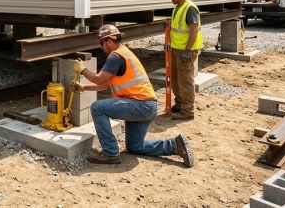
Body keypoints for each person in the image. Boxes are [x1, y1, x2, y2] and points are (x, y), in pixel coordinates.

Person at [73, 24, 195, 167]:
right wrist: (84, 87)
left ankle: (110, 153)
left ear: (110, 41)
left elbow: (99, 78)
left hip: (140, 105)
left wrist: (83, 70)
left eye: (102, 43)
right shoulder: (123, 52)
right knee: (134, 146)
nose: (101, 47)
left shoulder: (115, 56)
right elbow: (104, 84)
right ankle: (174, 145)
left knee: (97, 108)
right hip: (147, 105)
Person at [165, 0, 203, 120]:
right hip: (177, 49)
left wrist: (187, 51)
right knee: (175, 80)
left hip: (186, 50)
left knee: (185, 81)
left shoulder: (190, 8)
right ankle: (180, 104)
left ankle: (188, 111)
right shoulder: (177, 7)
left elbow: (194, 30)